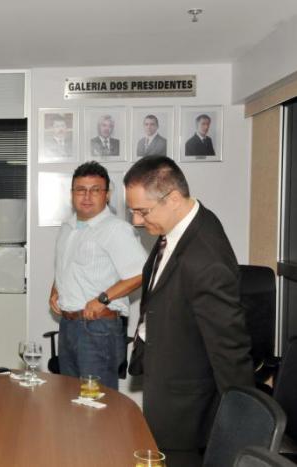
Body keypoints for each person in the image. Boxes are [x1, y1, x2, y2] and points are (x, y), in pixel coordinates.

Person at [124, 156, 253, 466]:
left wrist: (243, 423)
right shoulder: (181, 226)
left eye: (143, 211)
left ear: (172, 199)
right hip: (167, 378)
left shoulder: (205, 257)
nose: (137, 221)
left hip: (187, 409)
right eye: (133, 212)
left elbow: (229, 347)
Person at [49, 161, 146, 390]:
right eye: (80, 190)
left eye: (95, 190)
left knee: (97, 401)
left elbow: (141, 273)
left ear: (107, 194)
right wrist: (55, 290)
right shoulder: (67, 227)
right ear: (71, 194)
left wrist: (103, 299)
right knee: (69, 398)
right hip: (68, 325)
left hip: (98, 328)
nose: (87, 196)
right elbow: (67, 265)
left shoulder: (116, 229)